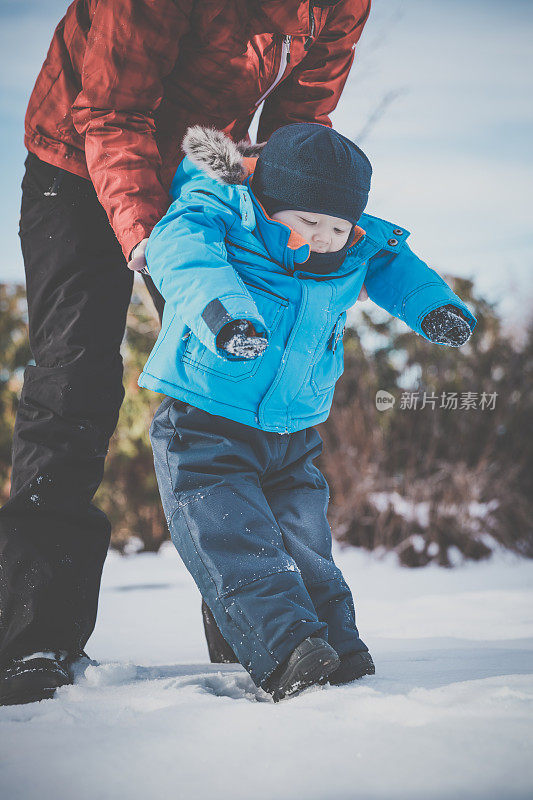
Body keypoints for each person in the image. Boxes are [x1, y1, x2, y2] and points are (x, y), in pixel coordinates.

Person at [0, 0, 374, 706]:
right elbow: (112, 111)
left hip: (212, 170)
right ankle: (31, 640)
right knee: (72, 380)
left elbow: (298, 128)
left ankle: (264, 632)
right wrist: (152, 238)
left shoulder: (343, 4)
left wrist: (291, 229)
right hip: (82, 156)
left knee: (235, 383)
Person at [139, 122, 477, 701]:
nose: (325, 238)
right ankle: (289, 649)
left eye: (338, 226)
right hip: (205, 418)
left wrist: (435, 309)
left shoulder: (354, 246)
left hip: (292, 429)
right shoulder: (218, 216)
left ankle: (339, 647)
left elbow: (396, 264)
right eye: (309, 223)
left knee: (304, 543)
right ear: (269, 204)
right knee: (234, 540)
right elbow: (184, 258)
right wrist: (227, 316)